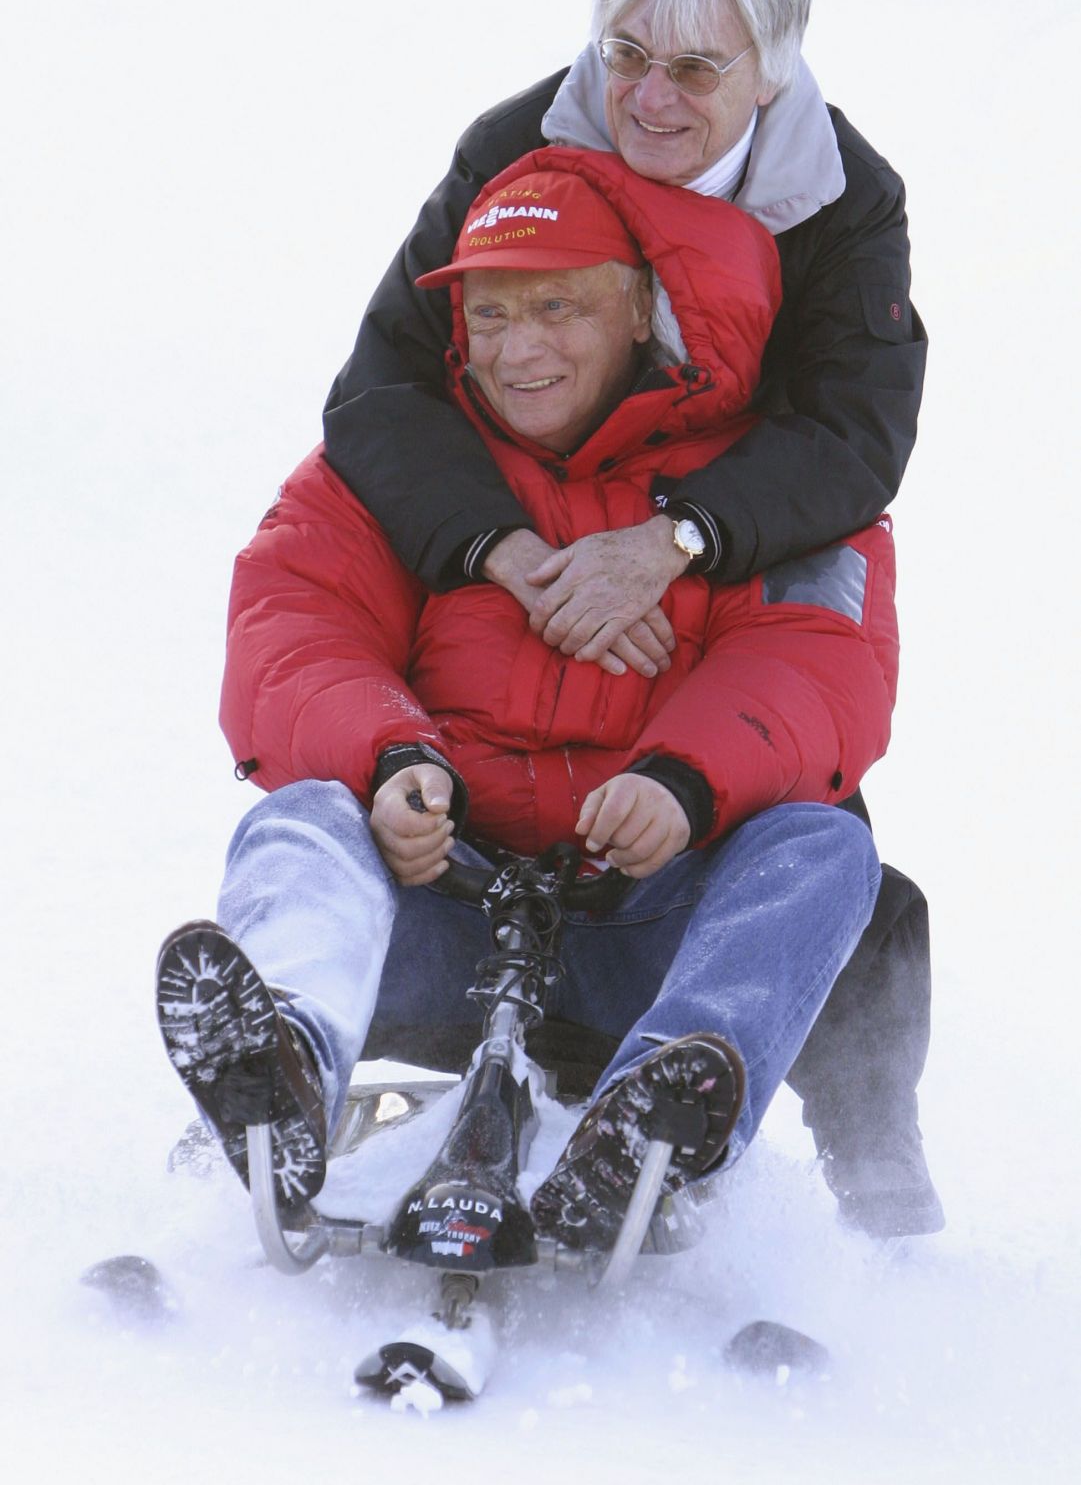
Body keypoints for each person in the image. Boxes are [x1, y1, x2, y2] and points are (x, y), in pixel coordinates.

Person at [321, 0, 941, 1237]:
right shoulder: (516, 146)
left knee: (820, 839)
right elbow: (382, 387)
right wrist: (509, 546)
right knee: (381, 836)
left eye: (696, 67)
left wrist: (671, 540)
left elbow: (852, 435)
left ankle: (836, 1139)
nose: (648, 97)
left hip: (719, 561)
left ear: (769, 71)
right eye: (625, 55)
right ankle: (348, 1107)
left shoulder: (840, 200)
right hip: (525, 579)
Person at [157, 156, 896, 1251]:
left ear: (642, 308)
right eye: (490, 313)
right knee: (298, 822)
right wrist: (392, 763)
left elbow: (819, 661)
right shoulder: (398, 463)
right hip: (438, 899)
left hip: (641, 920)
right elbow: (291, 627)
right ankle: (285, 1077)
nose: (517, 347)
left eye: (559, 306)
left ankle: (652, 1121)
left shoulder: (762, 479)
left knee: (822, 850)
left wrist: (680, 783)